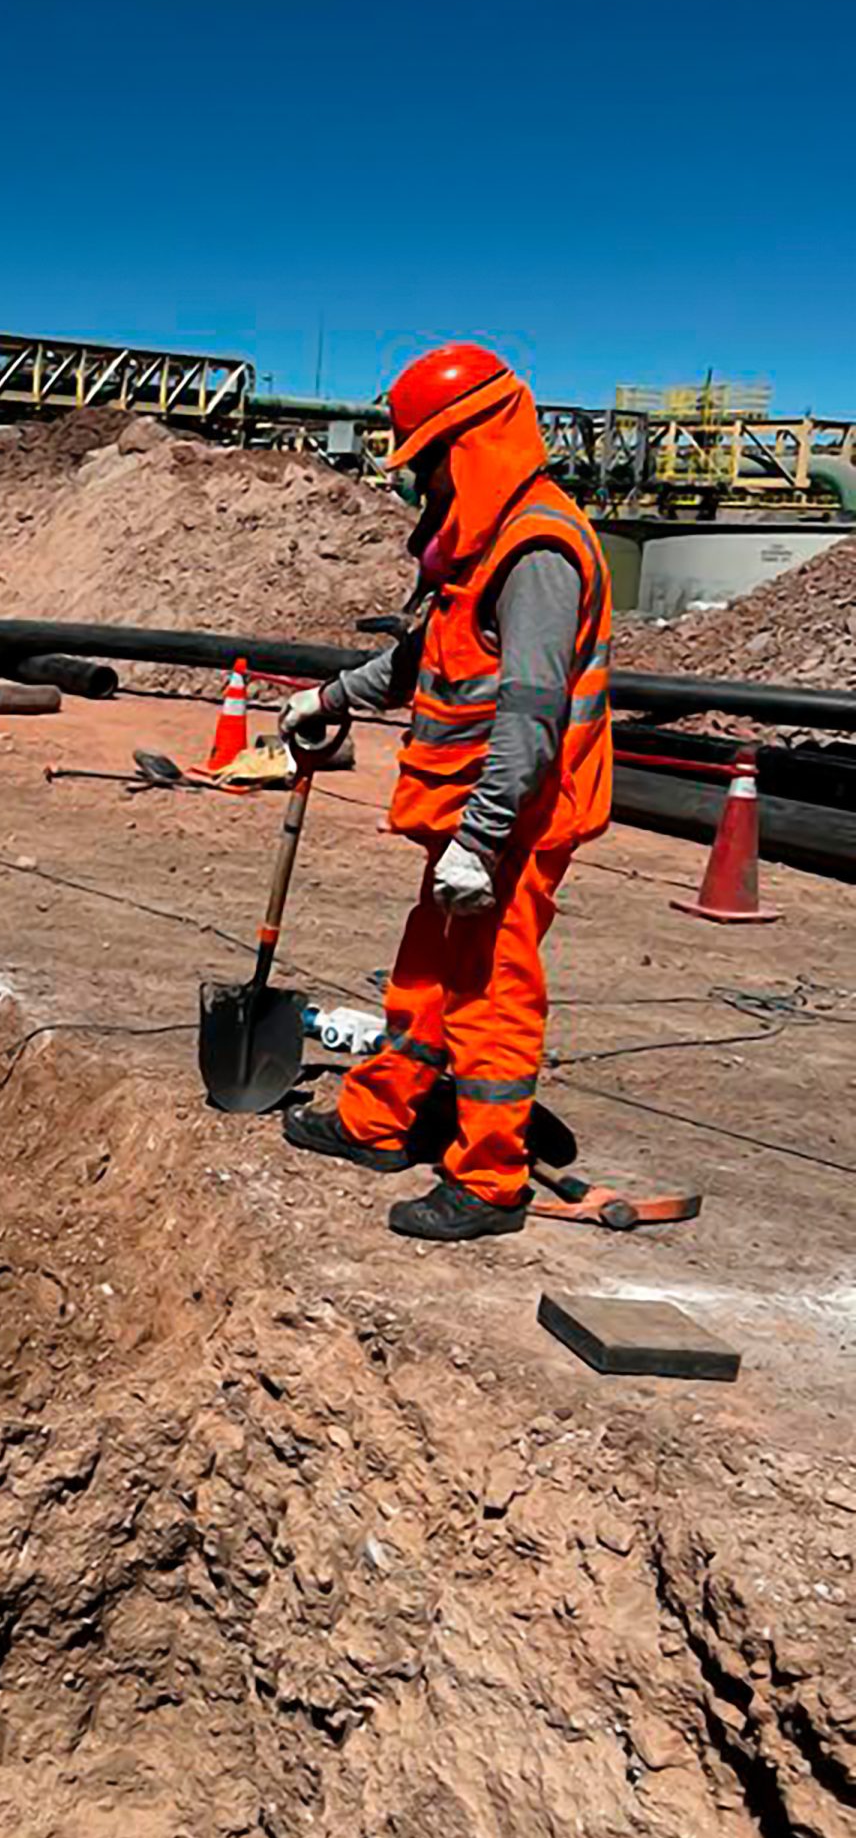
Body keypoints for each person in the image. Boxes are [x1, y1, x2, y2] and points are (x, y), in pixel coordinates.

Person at [280, 342, 612, 1242]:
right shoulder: (478, 544)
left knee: (490, 994)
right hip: (466, 819)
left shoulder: (537, 549)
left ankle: (491, 1179)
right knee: (425, 975)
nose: (416, 483)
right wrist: (328, 697)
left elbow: (532, 712)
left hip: (510, 824)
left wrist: (483, 837)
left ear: (470, 446)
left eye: (424, 462)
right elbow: (424, 658)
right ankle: (378, 1119)